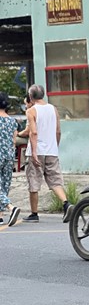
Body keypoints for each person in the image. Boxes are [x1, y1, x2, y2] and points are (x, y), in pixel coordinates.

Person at [24, 84, 72, 223]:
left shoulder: (31, 111)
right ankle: (66, 204)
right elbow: (58, 131)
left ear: (31, 97)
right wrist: (54, 146)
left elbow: (33, 132)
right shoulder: (53, 109)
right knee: (55, 180)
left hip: (37, 150)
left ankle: (34, 213)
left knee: (34, 181)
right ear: (43, 95)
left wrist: (33, 151)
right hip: (52, 150)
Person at [0, 92, 20, 226]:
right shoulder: (12, 121)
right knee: (4, 184)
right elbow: (14, 140)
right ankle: (0, 215)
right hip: (9, 155)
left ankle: (10, 207)